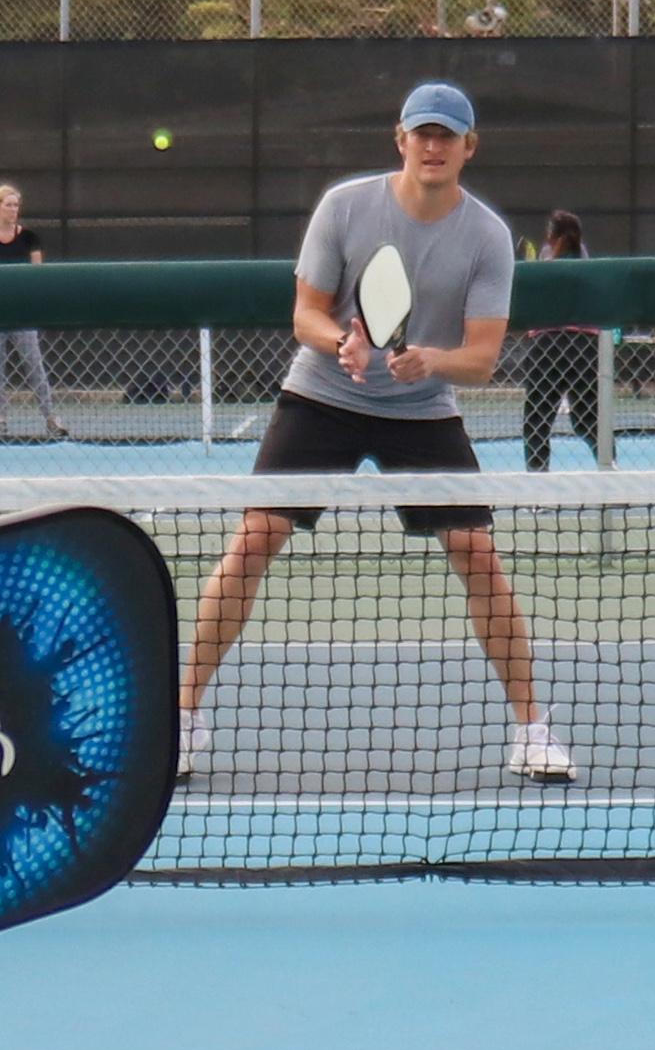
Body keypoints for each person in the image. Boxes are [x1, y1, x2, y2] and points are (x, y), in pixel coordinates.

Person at [177, 81, 572, 785]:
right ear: (400, 139)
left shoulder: (486, 238)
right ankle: (183, 718)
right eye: (422, 132)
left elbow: (481, 359)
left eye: (447, 136)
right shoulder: (345, 206)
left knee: (477, 553)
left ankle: (532, 731)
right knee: (255, 538)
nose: (432, 145)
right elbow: (306, 315)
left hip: (422, 407)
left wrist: (431, 361)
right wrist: (342, 345)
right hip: (324, 393)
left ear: (467, 148)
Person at [0, 182, 64, 438]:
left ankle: (50, 417)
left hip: (22, 313)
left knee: (34, 364)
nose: (13, 209)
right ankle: (1, 419)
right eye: (8, 205)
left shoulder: (30, 238)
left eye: (16, 205)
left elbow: (37, 274)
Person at [516, 210, 598, 473]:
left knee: (536, 421)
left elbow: (528, 302)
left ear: (553, 236)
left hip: (547, 348)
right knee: (588, 421)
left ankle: (538, 485)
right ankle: (611, 470)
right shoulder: (590, 268)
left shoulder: (544, 267)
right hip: (585, 348)